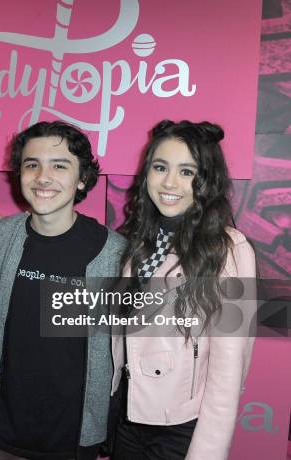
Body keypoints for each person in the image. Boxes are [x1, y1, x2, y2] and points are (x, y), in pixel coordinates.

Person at [0, 121, 126, 460]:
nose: (43, 177)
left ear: (83, 178)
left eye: (59, 165)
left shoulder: (113, 252)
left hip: (72, 437)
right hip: (3, 428)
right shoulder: (4, 236)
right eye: (32, 165)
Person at [111, 120, 256, 460]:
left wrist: (206, 451)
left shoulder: (229, 249)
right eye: (160, 167)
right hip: (128, 416)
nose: (170, 182)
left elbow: (230, 367)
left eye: (187, 172)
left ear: (206, 180)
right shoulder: (137, 240)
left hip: (181, 427)